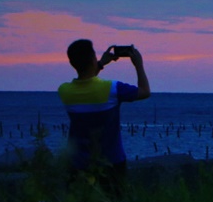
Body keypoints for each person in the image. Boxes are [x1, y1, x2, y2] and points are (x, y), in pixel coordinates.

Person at [58, 39, 150, 189]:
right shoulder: (112, 89)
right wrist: (138, 64)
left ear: (72, 63)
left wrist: (100, 64)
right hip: (112, 162)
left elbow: (86, 79)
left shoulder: (64, 91)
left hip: (77, 163)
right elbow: (145, 91)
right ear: (92, 59)